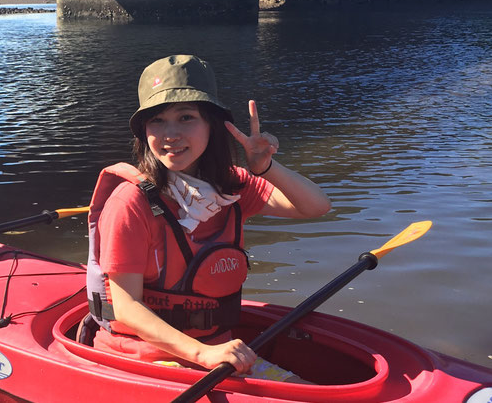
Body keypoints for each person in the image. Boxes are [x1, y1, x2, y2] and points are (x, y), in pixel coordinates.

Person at [84, 55, 331, 380]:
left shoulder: (234, 186)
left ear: (212, 125)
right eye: (157, 121)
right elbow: (127, 307)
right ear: (144, 132)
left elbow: (316, 206)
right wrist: (203, 353)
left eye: (186, 117)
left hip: (218, 352)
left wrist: (266, 168)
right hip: (143, 358)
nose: (170, 134)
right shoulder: (129, 203)